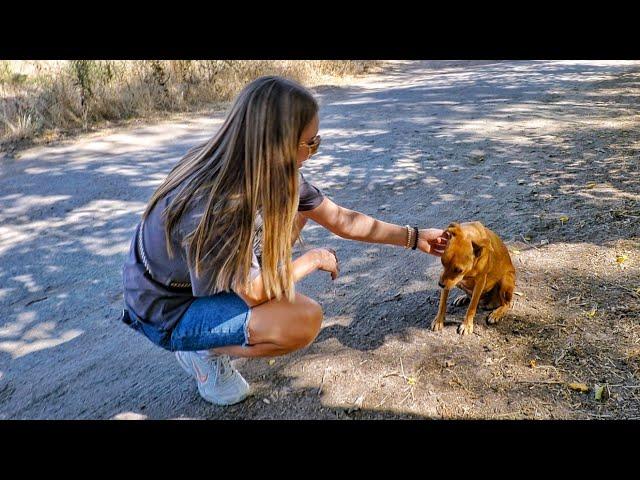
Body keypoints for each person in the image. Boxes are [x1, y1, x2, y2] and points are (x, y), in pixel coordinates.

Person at [121, 76, 449, 406]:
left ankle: (222, 326)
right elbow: (251, 294)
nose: (314, 152)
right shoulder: (217, 205)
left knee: (299, 209)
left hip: (192, 282)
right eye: (312, 144)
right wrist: (314, 258)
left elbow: (342, 220)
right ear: (277, 145)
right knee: (301, 321)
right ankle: (204, 352)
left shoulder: (260, 169)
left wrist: (416, 237)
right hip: (167, 310)